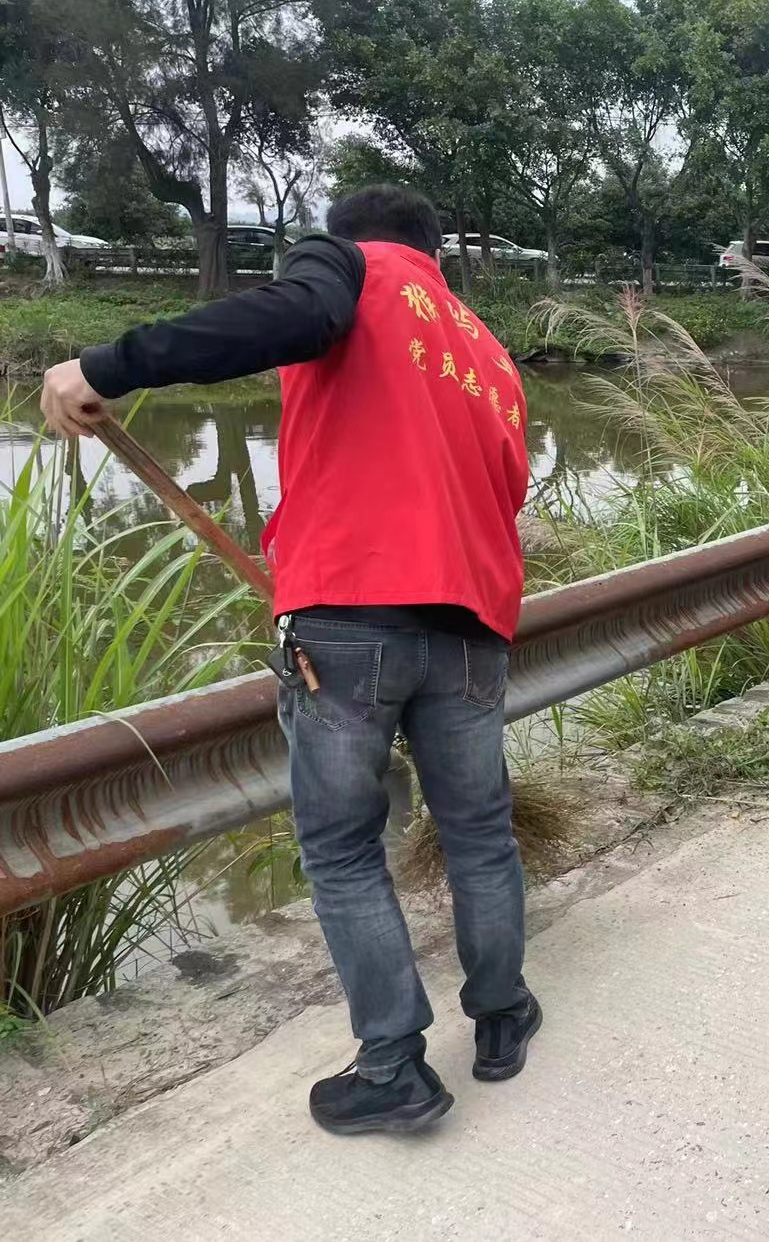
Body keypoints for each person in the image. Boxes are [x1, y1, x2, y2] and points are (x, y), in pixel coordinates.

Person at [38, 185, 539, 1136]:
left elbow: (293, 315)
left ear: (353, 238)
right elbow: (507, 491)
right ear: (436, 251)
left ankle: (393, 1064)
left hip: (350, 619)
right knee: (479, 833)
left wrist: (109, 363)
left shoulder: (348, 268)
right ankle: (502, 1017)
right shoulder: (488, 349)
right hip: (473, 625)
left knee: (345, 849)